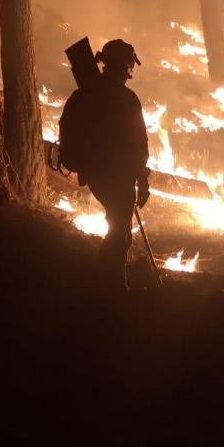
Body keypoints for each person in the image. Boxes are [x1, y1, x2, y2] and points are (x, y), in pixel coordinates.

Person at [79, 39, 151, 289]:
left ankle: (104, 279)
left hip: (96, 173)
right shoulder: (127, 100)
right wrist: (142, 180)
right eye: (129, 65)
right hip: (117, 175)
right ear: (125, 66)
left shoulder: (86, 94)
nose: (130, 71)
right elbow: (139, 145)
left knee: (117, 224)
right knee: (120, 228)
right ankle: (111, 286)